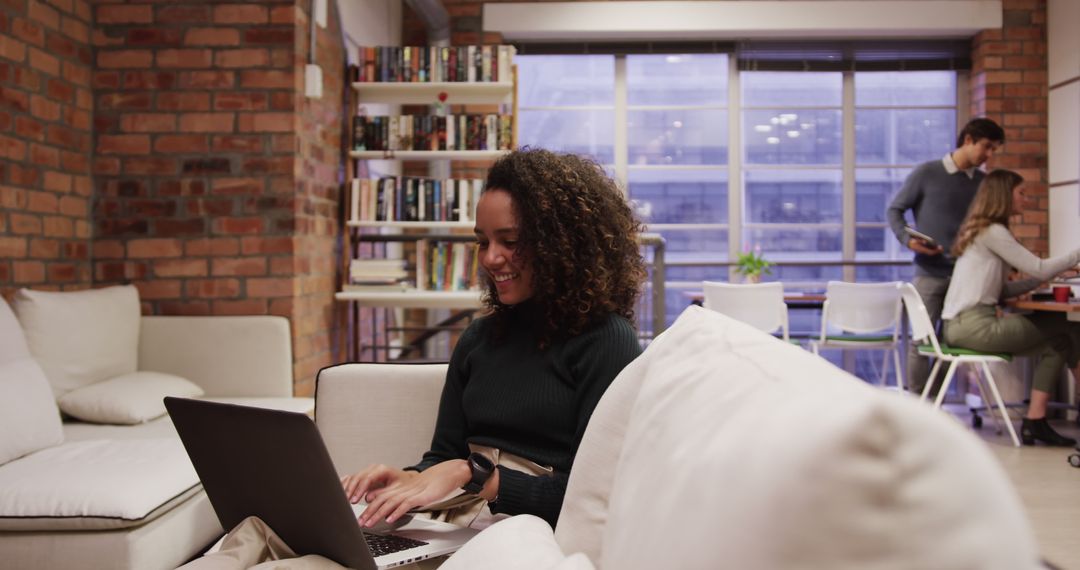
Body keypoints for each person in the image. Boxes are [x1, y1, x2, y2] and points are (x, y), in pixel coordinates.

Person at [341, 148, 648, 529]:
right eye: (483, 242)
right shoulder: (478, 338)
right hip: (459, 521)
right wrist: (410, 479)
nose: (490, 258)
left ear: (563, 244)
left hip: (535, 531)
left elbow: (596, 495)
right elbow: (443, 457)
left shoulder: (606, 342)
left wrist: (480, 478)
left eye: (510, 240)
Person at [941, 169, 1080, 446]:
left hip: (961, 325)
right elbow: (1038, 268)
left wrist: (1049, 276)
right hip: (974, 325)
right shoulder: (994, 231)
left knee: (1059, 340)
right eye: (1021, 193)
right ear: (1005, 196)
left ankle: (1035, 421)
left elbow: (1002, 291)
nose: (1026, 199)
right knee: (1068, 328)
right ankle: (1036, 421)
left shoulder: (982, 231)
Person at [887, 117, 1005, 395]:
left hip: (968, 279)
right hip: (929, 273)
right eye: (986, 147)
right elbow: (895, 210)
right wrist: (908, 240)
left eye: (993, 151)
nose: (989, 156)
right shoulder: (927, 173)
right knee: (921, 340)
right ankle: (917, 407)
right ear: (968, 140)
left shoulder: (984, 183)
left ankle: (934, 405)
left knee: (951, 344)